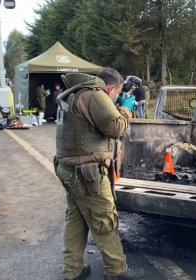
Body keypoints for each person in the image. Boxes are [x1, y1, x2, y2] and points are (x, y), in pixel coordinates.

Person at [54, 67, 144, 280]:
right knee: (105, 219)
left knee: (76, 219)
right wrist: (126, 108)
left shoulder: (75, 93)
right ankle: (117, 272)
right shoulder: (95, 95)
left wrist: (115, 102)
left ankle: (72, 271)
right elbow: (116, 128)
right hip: (88, 173)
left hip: (69, 169)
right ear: (110, 88)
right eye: (115, 93)